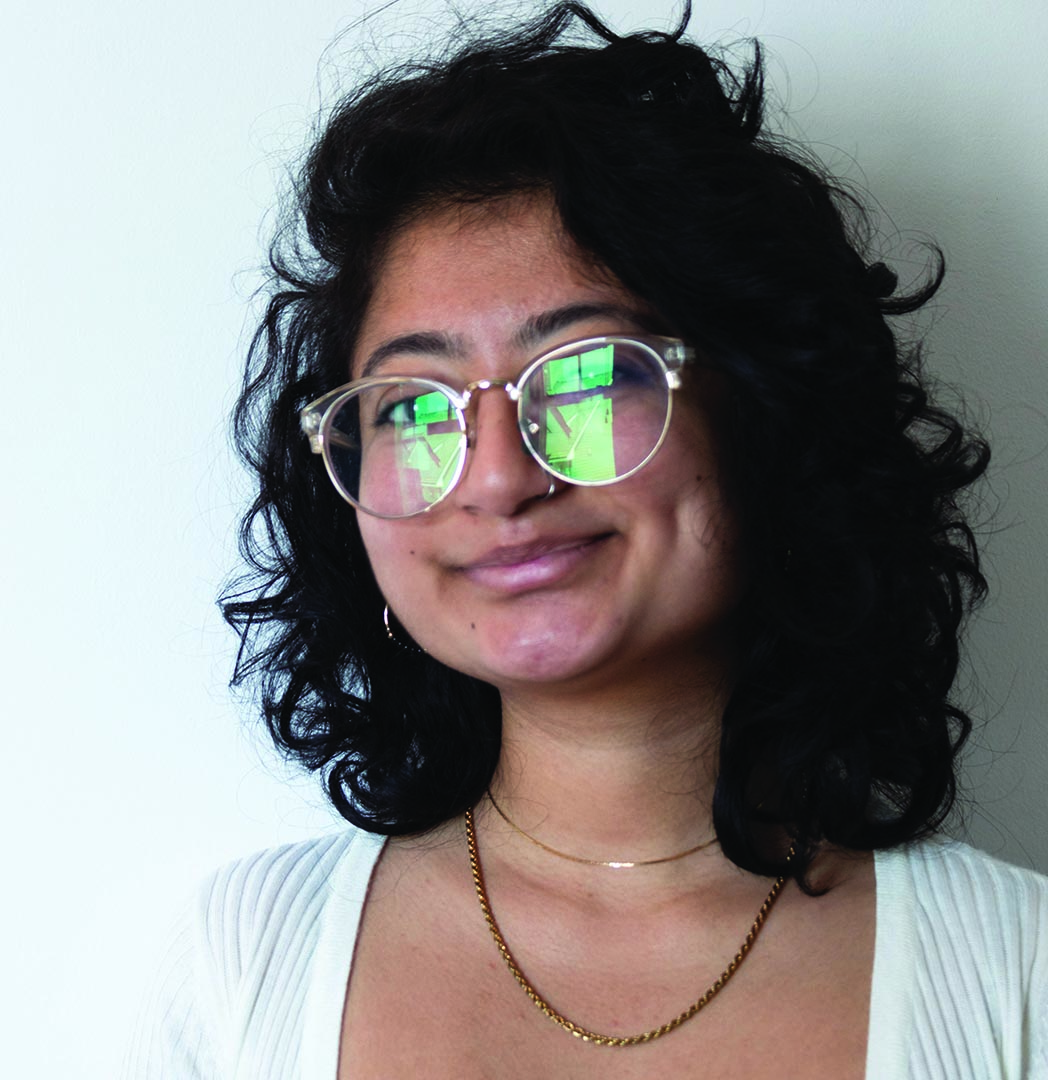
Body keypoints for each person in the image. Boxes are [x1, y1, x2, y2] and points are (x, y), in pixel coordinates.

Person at [125, 3, 1048, 1077]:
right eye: (413, 408)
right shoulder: (239, 962)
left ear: (765, 415)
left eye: (592, 374)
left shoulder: (1017, 976)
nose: (503, 476)